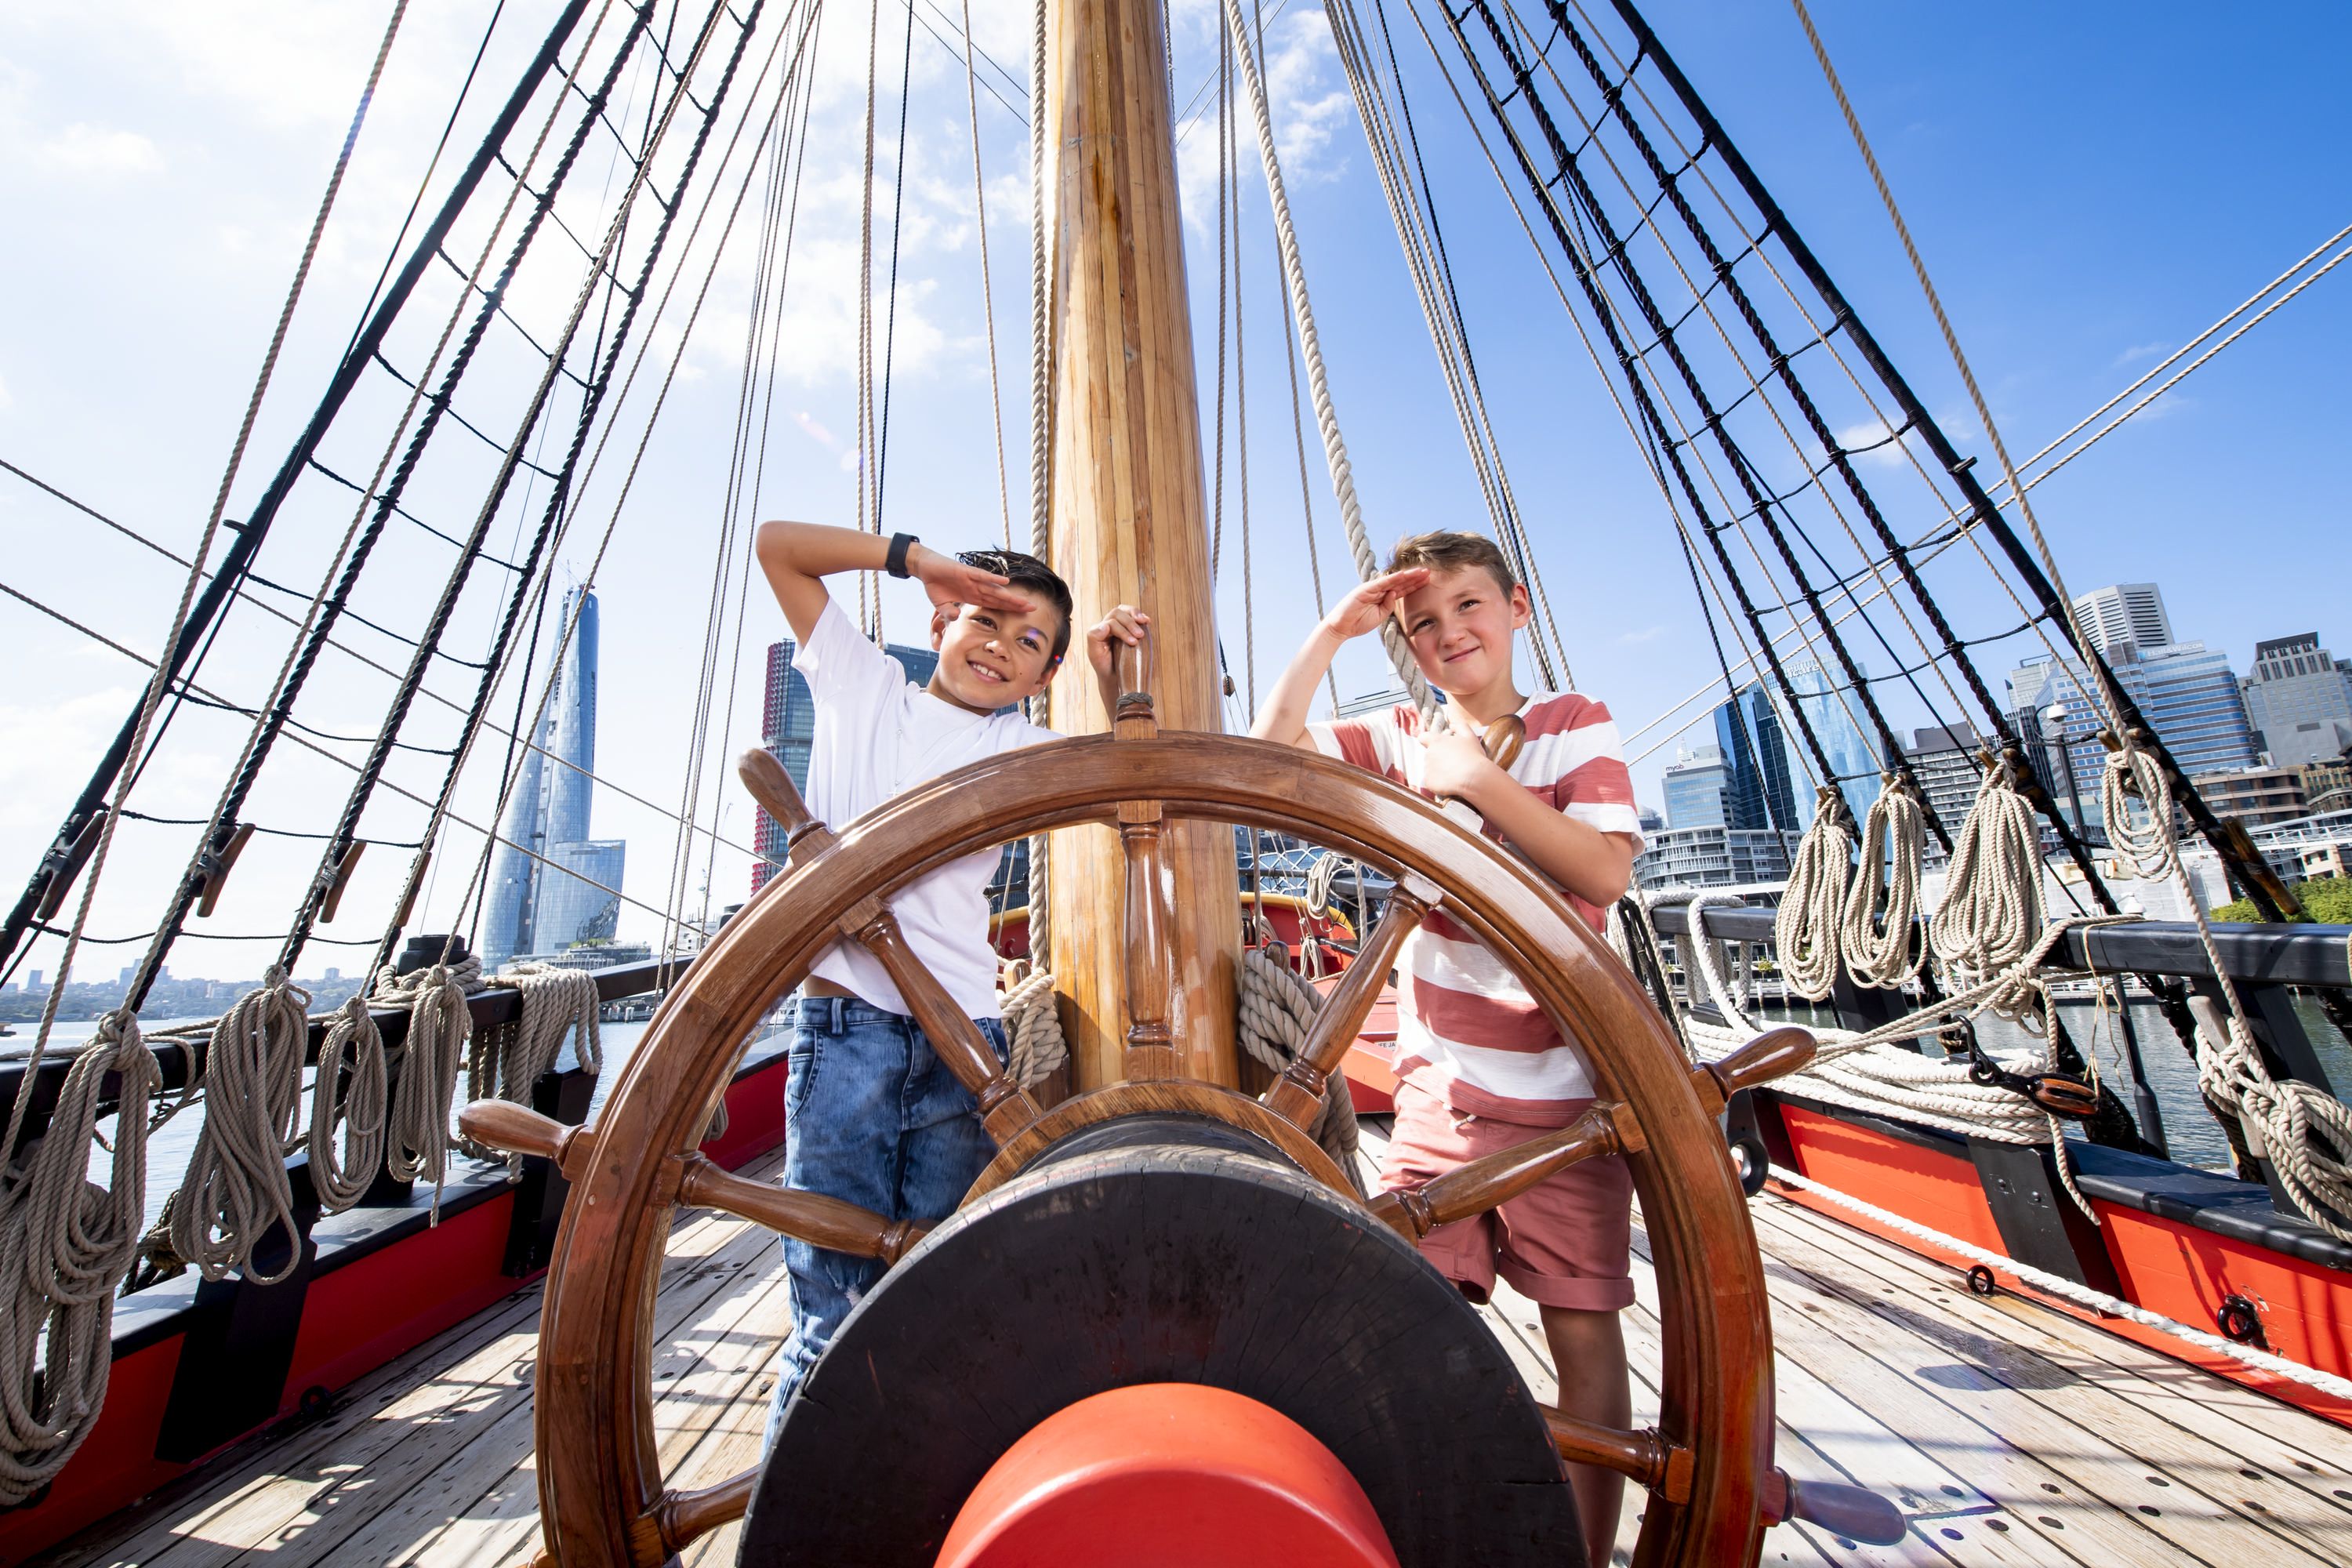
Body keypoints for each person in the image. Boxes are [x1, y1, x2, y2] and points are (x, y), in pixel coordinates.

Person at [1250, 528, 1642, 1565]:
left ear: (1519, 610)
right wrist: (1337, 631)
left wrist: (1477, 779)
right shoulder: (1404, 737)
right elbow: (1269, 750)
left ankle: (1587, 1552)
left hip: (1569, 1097)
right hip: (1445, 1097)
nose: (1448, 632)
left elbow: (1602, 874)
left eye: (1469, 605)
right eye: (1424, 624)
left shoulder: (1572, 726)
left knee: (1582, 1330)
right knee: (1403, 1319)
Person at [750, 519, 1145, 1446]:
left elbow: (1130, 775)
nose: (999, 648)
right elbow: (777, 546)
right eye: (984, 621)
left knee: (944, 1304)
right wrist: (916, 560)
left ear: (1046, 679)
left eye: (1029, 641)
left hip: (969, 1047)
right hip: (848, 1033)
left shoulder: (1024, 749)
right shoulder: (864, 687)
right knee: (830, 1318)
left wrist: (1104, 673)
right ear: (938, 624)